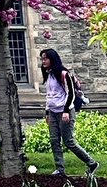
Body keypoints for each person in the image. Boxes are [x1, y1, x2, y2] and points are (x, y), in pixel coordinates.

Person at [40, 47, 99, 179]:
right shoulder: (49, 74)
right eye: (42, 59)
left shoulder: (63, 73)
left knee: (68, 141)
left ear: (52, 59)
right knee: (54, 140)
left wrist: (66, 111)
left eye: (46, 58)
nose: (43, 61)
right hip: (53, 112)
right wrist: (47, 112)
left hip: (65, 111)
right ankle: (60, 169)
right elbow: (50, 95)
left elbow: (71, 93)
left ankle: (92, 163)